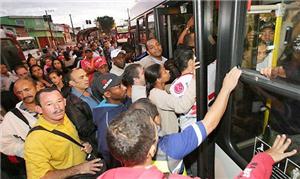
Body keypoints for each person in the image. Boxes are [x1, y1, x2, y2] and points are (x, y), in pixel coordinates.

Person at [24, 88, 103, 178]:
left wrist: (82, 143)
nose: (57, 107)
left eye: (59, 101)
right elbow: (41, 177)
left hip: (88, 169)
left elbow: (69, 138)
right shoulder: (35, 140)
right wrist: (79, 169)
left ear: (65, 102)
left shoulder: (65, 116)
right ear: (39, 109)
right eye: (49, 104)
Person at [145, 63, 195, 135]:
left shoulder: (162, 90)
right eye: (165, 72)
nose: (168, 71)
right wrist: (194, 80)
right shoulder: (157, 95)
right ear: (158, 79)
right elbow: (182, 106)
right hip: (168, 136)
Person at [92, 73, 129, 168]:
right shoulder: (108, 119)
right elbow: (106, 149)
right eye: (119, 86)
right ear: (107, 94)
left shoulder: (119, 102)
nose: (124, 88)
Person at [0, 78, 39, 158]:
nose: (24, 95)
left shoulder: (52, 103)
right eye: (19, 93)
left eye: (27, 90)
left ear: (37, 87)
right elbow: (4, 144)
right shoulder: (11, 117)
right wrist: (28, 150)